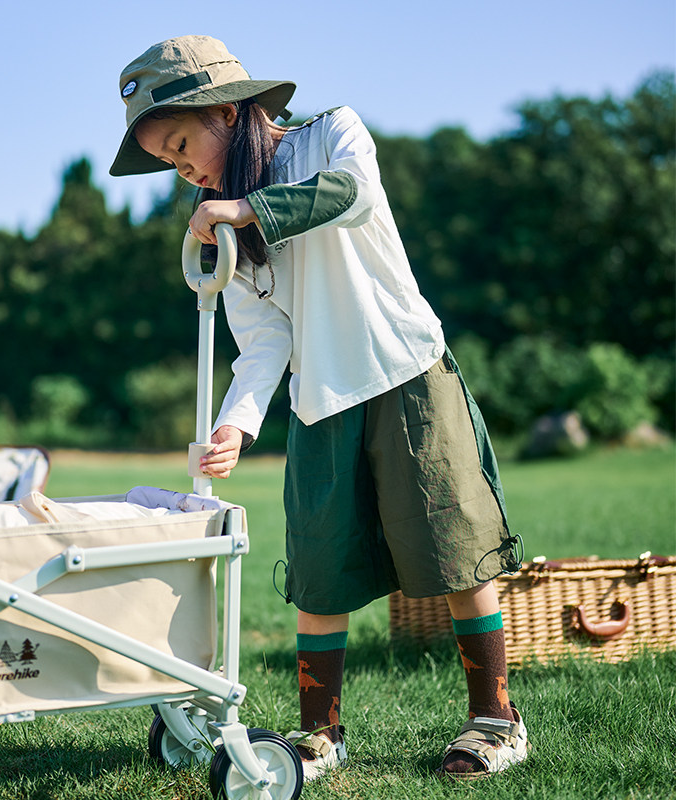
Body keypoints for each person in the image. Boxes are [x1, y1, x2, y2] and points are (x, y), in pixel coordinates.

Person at [110, 34, 529, 781]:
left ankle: (496, 720)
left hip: (405, 373)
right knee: (319, 574)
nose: (185, 169)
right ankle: (319, 736)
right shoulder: (223, 226)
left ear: (228, 112)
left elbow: (353, 195)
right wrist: (236, 423)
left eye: (181, 145)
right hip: (318, 401)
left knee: (457, 553)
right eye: (170, 163)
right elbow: (264, 339)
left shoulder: (332, 133)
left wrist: (248, 207)